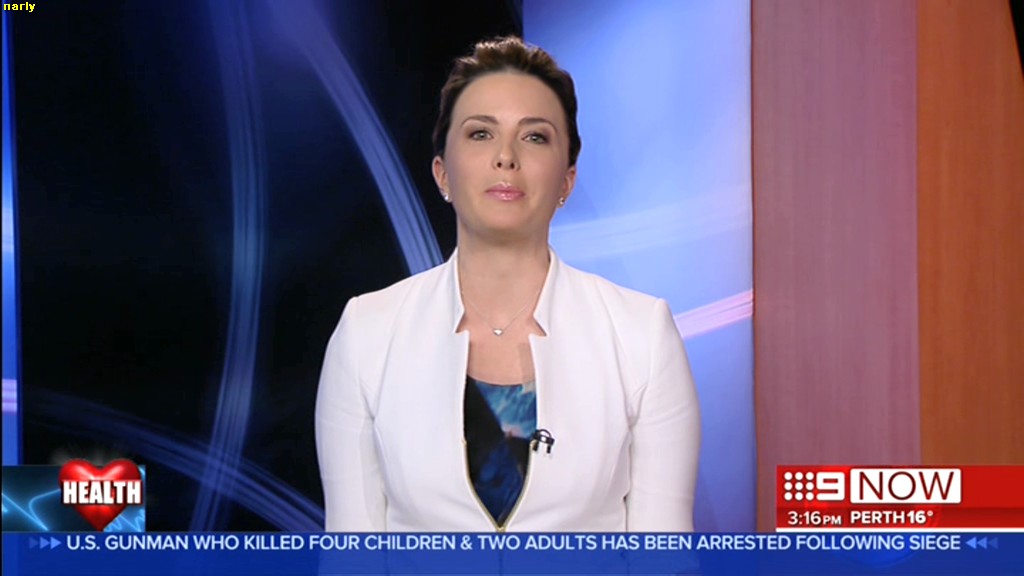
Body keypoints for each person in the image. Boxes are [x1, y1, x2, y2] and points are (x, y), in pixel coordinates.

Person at [316, 36, 700, 532]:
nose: (505, 157)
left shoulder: (641, 335)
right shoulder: (367, 332)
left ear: (567, 180)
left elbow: (663, 558)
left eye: (534, 137)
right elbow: (353, 557)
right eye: (480, 134)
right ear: (442, 174)